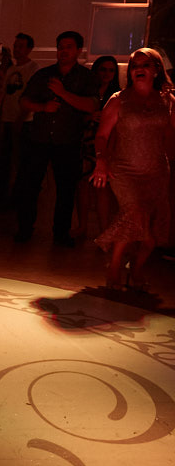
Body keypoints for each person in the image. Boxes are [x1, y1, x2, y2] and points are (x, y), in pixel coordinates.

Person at [91, 48, 175, 289]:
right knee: (134, 214)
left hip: (157, 171)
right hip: (125, 170)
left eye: (145, 65)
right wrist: (101, 160)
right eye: (135, 65)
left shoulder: (167, 100)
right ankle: (114, 268)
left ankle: (136, 268)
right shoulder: (119, 100)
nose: (139, 69)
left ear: (156, 70)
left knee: (154, 232)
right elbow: (102, 136)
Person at [14, 31, 98, 246]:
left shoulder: (85, 78)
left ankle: (61, 233)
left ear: (78, 50)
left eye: (69, 47)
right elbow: (24, 101)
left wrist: (62, 93)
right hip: (40, 138)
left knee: (66, 189)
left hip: (68, 140)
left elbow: (91, 105)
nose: (63, 51)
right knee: (30, 186)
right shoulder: (44, 75)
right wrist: (43, 107)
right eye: (61, 46)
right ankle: (25, 229)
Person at [74, 55, 121, 239]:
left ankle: (104, 231)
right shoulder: (87, 91)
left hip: (105, 142)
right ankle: (82, 226)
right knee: (82, 185)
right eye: (103, 69)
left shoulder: (117, 95)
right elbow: (74, 115)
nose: (107, 74)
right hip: (84, 140)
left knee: (102, 188)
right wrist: (88, 117)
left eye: (111, 70)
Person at [0, 33, 39, 199]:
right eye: (16, 46)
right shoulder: (11, 69)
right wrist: (0, 117)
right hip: (7, 119)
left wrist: (21, 118)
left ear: (29, 49)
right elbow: (4, 95)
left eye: (21, 46)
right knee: (4, 158)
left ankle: (17, 196)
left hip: (24, 121)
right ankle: (1, 193)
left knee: (20, 160)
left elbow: (32, 96)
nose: (17, 49)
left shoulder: (33, 69)